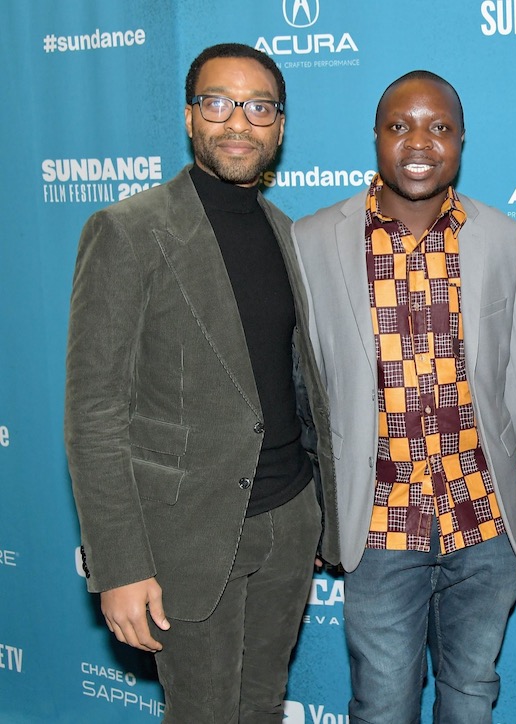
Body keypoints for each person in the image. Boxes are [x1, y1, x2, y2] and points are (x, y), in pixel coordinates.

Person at [64, 43, 334, 722]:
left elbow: (298, 384)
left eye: (259, 107)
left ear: (279, 125)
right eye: (218, 102)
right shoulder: (128, 232)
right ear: (190, 118)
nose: (238, 122)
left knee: (262, 708)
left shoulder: (287, 233)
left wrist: (320, 513)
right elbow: (94, 411)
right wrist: (120, 565)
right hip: (189, 535)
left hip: (288, 521)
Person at [292, 70, 516, 723]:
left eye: (438, 127)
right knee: (382, 702)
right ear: (375, 137)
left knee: (470, 696)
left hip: (481, 520)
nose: (419, 142)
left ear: (461, 140)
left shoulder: (503, 239)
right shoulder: (314, 240)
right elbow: (306, 387)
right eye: (400, 126)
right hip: (378, 525)